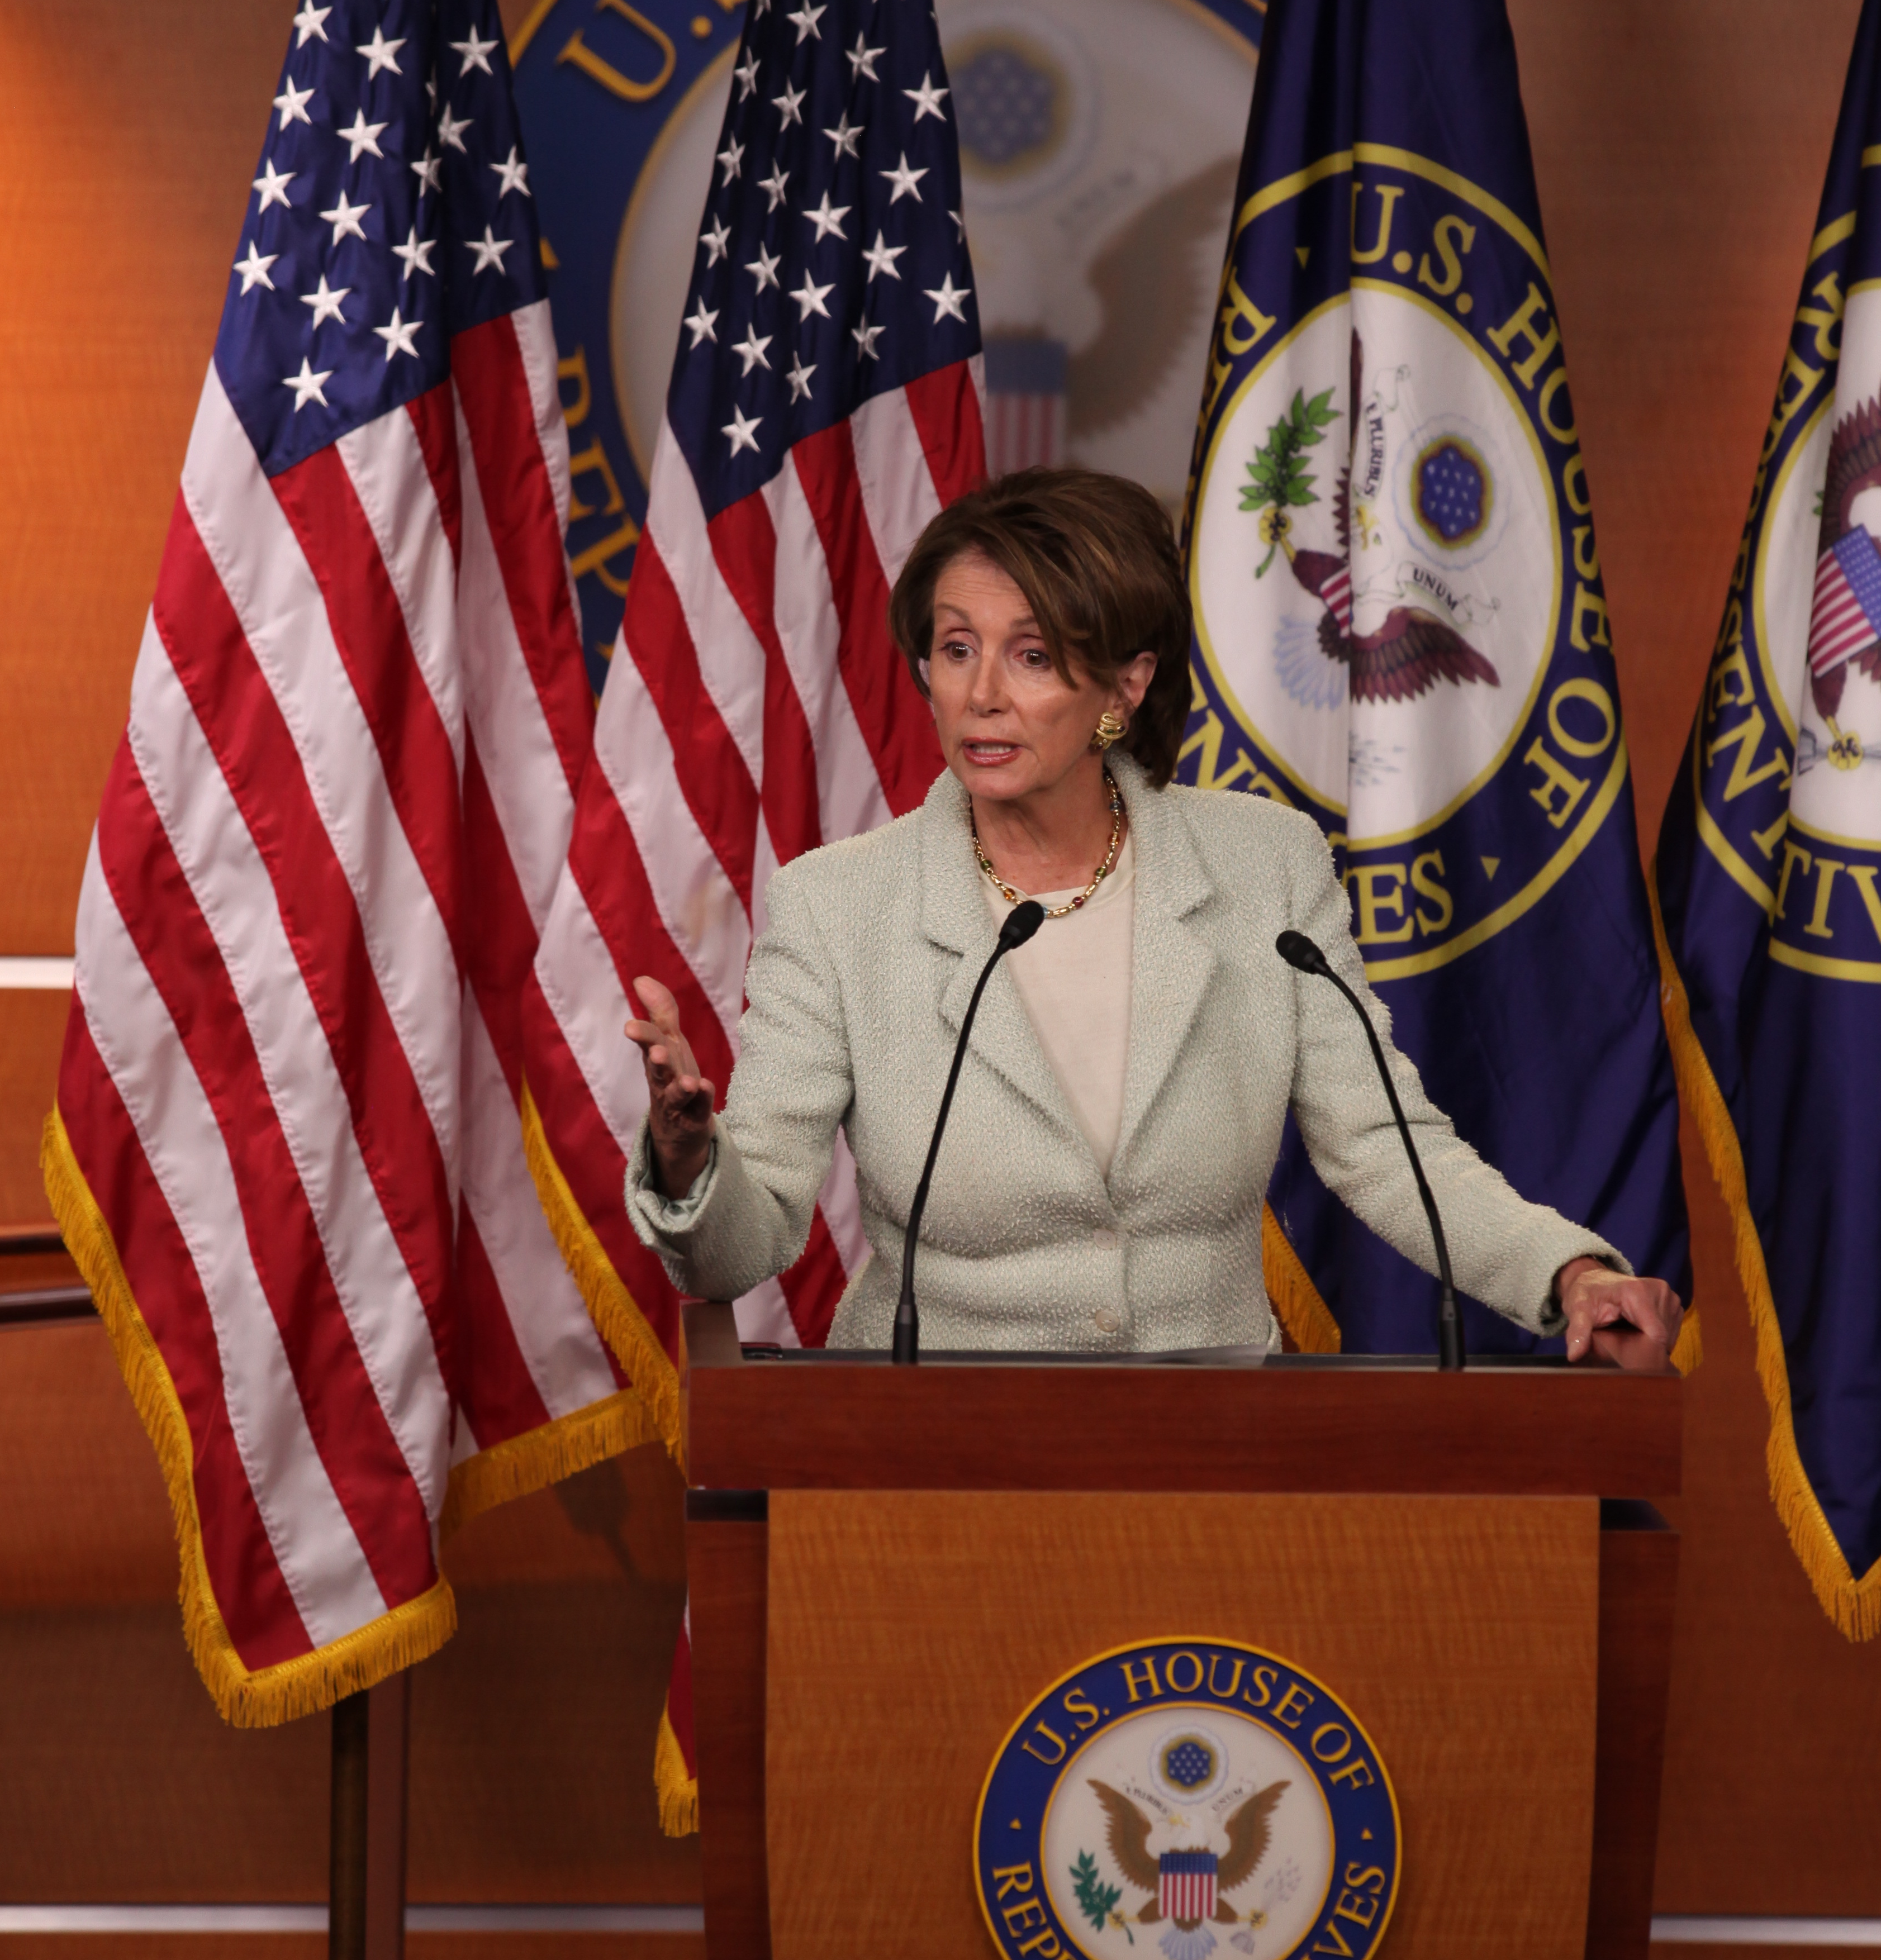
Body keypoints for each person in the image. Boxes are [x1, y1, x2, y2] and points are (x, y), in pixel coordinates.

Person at [622, 468, 1683, 1368]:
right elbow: (739, 1247)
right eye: (956, 648)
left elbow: (1381, 1144)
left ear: (1124, 685)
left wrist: (1568, 1271)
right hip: (924, 1459)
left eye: (1032, 656)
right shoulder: (839, 902)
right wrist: (687, 1163)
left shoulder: (1262, 867)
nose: (981, 692)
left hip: (1208, 1446)